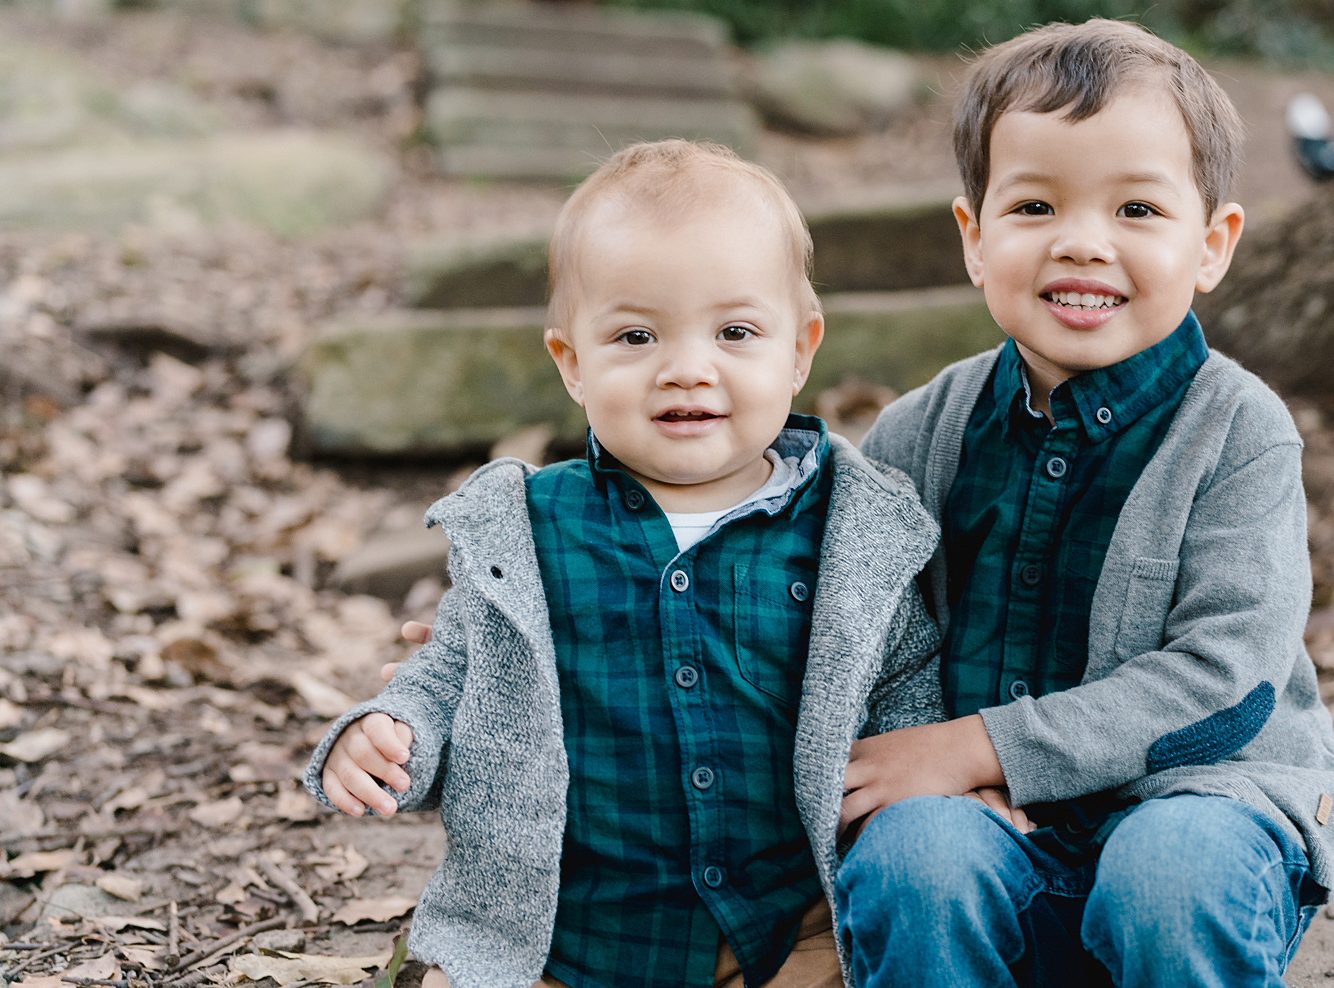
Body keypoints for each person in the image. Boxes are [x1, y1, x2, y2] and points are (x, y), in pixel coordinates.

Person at [302, 140, 955, 988]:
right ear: (572, 363)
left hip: (783, 934)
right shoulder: (528, 533)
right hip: (575, 937)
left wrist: (931, 783)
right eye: (637, 334)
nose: (688, 367)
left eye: (735, 331)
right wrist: (392, 733)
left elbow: (904, 678)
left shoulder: (852, 533)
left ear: (800, 349)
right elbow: (450, 670)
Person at [830, 19, 1334, 988]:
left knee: (1167, 873)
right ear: (975, 238)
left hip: (1203, 809)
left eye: (1137, 211)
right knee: (914, 861)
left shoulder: (1238, 430)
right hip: (986, 840)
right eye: (1034, 205)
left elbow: (1227, 681)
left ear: (1212, 243)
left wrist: (980, 745)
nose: (1082, 243)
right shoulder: (914, 433)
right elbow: (858, 640)